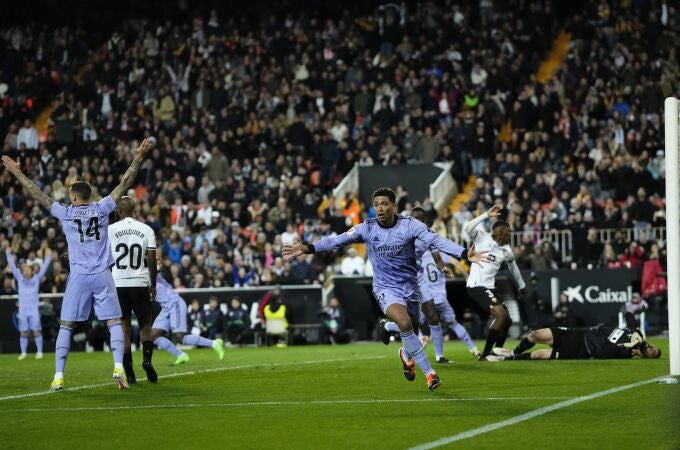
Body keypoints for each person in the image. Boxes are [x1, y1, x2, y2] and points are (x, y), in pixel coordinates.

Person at [283, 187, 487, 391]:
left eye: (384, 204)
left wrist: (462, 253)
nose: (379, 209)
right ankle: (430, 374)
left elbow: (435, 240)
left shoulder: (410, 225)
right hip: (385, 287)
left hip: (411, 286)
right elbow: (337, 240)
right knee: (405, 323)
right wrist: (308, 248)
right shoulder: (367, 228)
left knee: (413, 328)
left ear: (394, 206)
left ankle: (405, 355)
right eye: (376, 205)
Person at [2, 138, 152, 391]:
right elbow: (124, 182)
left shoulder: (66, 212)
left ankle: (58, 376)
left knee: (67, 325)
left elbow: (37, 194)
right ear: (89, 195)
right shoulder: (103, 207)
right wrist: (137, 158)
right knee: (115, 321)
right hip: (103, 275)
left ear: (73, 196)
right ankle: (118, 366)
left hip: (79, 276)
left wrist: (17, 173)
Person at [379, 207, 479, 362]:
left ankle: (439, 356)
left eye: (420, 217)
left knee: (432, 316)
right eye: (415, 216)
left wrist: (444, 268)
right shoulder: (400, 230)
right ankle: (388, 327)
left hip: (420, 280)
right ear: (410, 218)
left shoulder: (427, 235)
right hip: (402, 280)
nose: (417, 219)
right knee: (411, 322)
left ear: (424, 219)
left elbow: (438, 259)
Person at [463, 201, 527, 360]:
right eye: (507, 232)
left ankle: (497, 352)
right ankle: (485, 355)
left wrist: (522, 285)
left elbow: (513, 268)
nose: (509, 235)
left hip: (489, 288)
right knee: (501, 316)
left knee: (508, 319)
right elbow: (467, 227)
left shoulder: (506, 250)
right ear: (498, 232)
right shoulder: (481, 237)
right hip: (476, 286)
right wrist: (486, 214)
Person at [108, 196, 158, 384]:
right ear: (134, 209)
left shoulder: (110, 230)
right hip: (139, 282)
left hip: (118, 283)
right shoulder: (146, 229)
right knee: (146, 325)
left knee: (124, 329)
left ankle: (129, 372)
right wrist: (153, 284)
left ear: (119, 211)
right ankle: (146, 360)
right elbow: (152, 260)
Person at [151, 268, 225, 364]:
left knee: (180, 338)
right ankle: (181, 355)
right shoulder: (138, 279)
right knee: (153, 336)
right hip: (166, 308)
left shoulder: (149, 272)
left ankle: (215, 343)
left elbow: (154, 267)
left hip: (174, 304)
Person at [490, 324, 661, 360]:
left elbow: (601, 354)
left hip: (581, 350)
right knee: (535, 334)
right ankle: (514, 352)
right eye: (653, 346)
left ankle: (509, 358)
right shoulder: (631, 333)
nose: (651, 347)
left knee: (539, 355)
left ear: (646, 356)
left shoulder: (625, 354)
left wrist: (625, 345)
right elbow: (603, 328)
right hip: (578, 332)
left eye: (653, 352)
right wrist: (635, 332)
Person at [5, 246, 52, 359]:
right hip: (23, 310)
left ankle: (39, 352)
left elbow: (44, 267)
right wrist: (8, 254)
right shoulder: (20, 278)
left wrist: (49, 256)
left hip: (33, 309)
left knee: (36, 331)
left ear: (32, 271)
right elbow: (12, 266)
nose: (25, 271)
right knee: (23, 332)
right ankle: (23, 353)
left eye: (28, 269)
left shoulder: (36, 278)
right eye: (24, 269)